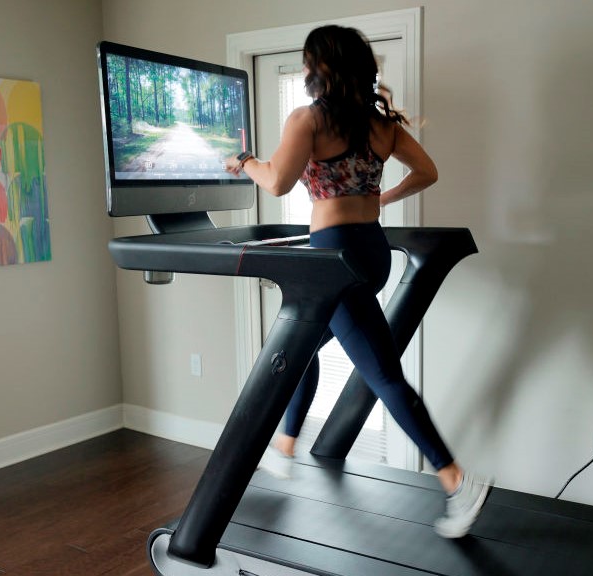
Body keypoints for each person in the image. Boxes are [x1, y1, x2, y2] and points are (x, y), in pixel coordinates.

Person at [223, 24, 490, 539]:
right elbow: (428, 170)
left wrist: (245, 162)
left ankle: (458, 481)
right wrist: (380, 201)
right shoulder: (380, 124)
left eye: (307, 63)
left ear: (320, 67)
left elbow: (277, 181)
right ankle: (285, 446)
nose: (303, 72)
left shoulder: (307, 120)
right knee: (298, 346)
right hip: (371, 250)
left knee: (383, 375)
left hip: (332, 261)